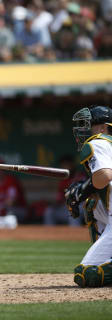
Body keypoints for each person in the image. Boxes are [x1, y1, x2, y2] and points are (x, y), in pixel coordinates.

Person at [65, 105, 112, 288]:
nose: (83, 130)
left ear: (102, 127)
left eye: (89, 125)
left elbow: (105, 177)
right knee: (93, 203)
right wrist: (86, 191)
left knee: (86, 274)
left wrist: (82, 189)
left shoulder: (98, 142)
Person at [43, 155, 85, 226]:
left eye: (66, 164)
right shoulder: (64, 180)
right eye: (63, 165)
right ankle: (49, 235)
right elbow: (59, 199)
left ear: (72, 164)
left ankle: (75, 235)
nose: (64, 167)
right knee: (49, 211)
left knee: (72, 211)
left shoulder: (81, 176)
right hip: (67, 207)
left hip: (83, 206)